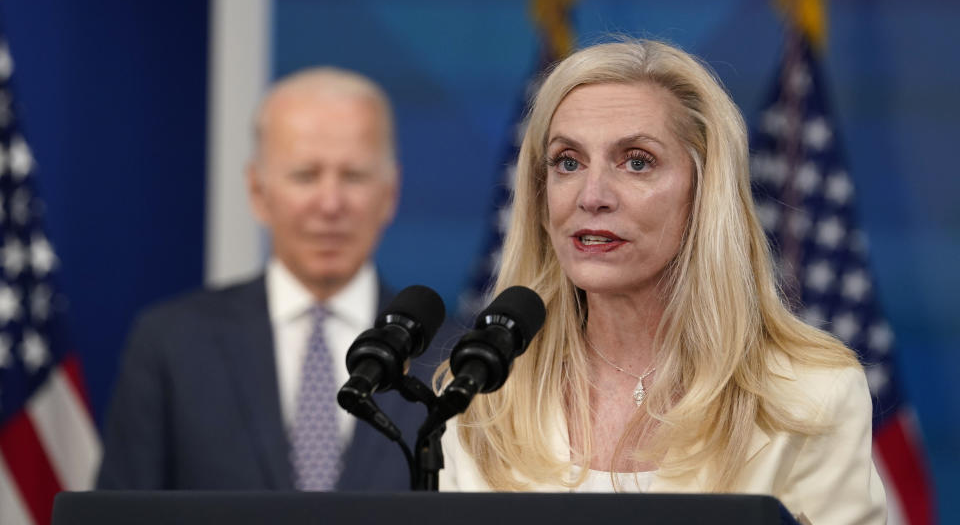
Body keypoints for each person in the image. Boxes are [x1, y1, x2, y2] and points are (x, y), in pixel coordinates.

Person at [439, 40, 886, 524]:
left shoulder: (809, 396)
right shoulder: (482, 398)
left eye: (636, 161)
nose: (592, 196)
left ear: (704, 189)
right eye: (568, 161)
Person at [98, 67, 435, 491]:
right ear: (258, 191)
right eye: (305, 175)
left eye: (353, 176)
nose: (330, 203)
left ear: (390, 193)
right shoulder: (171, 343)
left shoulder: (450, 360)